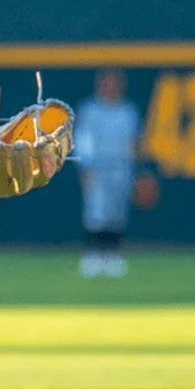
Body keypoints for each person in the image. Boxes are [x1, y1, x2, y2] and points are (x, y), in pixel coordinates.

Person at [73, 68, 142, 278]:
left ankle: (113, 255)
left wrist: (139, 169)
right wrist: (84, 166)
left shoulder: (128, 111)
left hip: (122, 167)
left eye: (114, 83)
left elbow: (134, 142)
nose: (110, 87)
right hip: (98, 167)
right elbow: (82, 139)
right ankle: (93, 255)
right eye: (107, 83)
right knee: (96, 213)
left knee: (117, 213)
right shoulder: (90, 110)